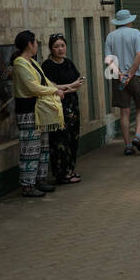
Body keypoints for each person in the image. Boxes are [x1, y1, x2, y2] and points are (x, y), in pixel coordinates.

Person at [12, 31, 68, 198]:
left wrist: (62, 88)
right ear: (30, 44)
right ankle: (27, 185)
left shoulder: (32, 62)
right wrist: (54, 90)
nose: (37, 45)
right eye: (35, 42)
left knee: (42, 147)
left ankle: (40, 179)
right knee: (30, 148)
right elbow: (33, 87)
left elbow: (44, 80)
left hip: (39, 111)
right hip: (28, 112)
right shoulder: (20, 63)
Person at [42, 33, 85, 183]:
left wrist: (68, 88)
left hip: (72, 105)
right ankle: (61, 174)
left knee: (73, 137)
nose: (60, 49)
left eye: (62, 45)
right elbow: (49, 86)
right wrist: (70, 86)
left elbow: (78, 82)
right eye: (56, 46)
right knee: (60, 139)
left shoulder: (68, 63)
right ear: (51, 49)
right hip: (57, 106)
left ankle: (70, 170)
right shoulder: (47, 65)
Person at [104, 8, 140, 155]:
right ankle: (137, 135)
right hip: (137, 76)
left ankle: (128, 145)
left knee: (124, 112)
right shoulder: (136, 33)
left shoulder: (110, 36)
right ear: (129, 21)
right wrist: (130, 74)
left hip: (118, 78)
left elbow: (108, 60)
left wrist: (120, 74)